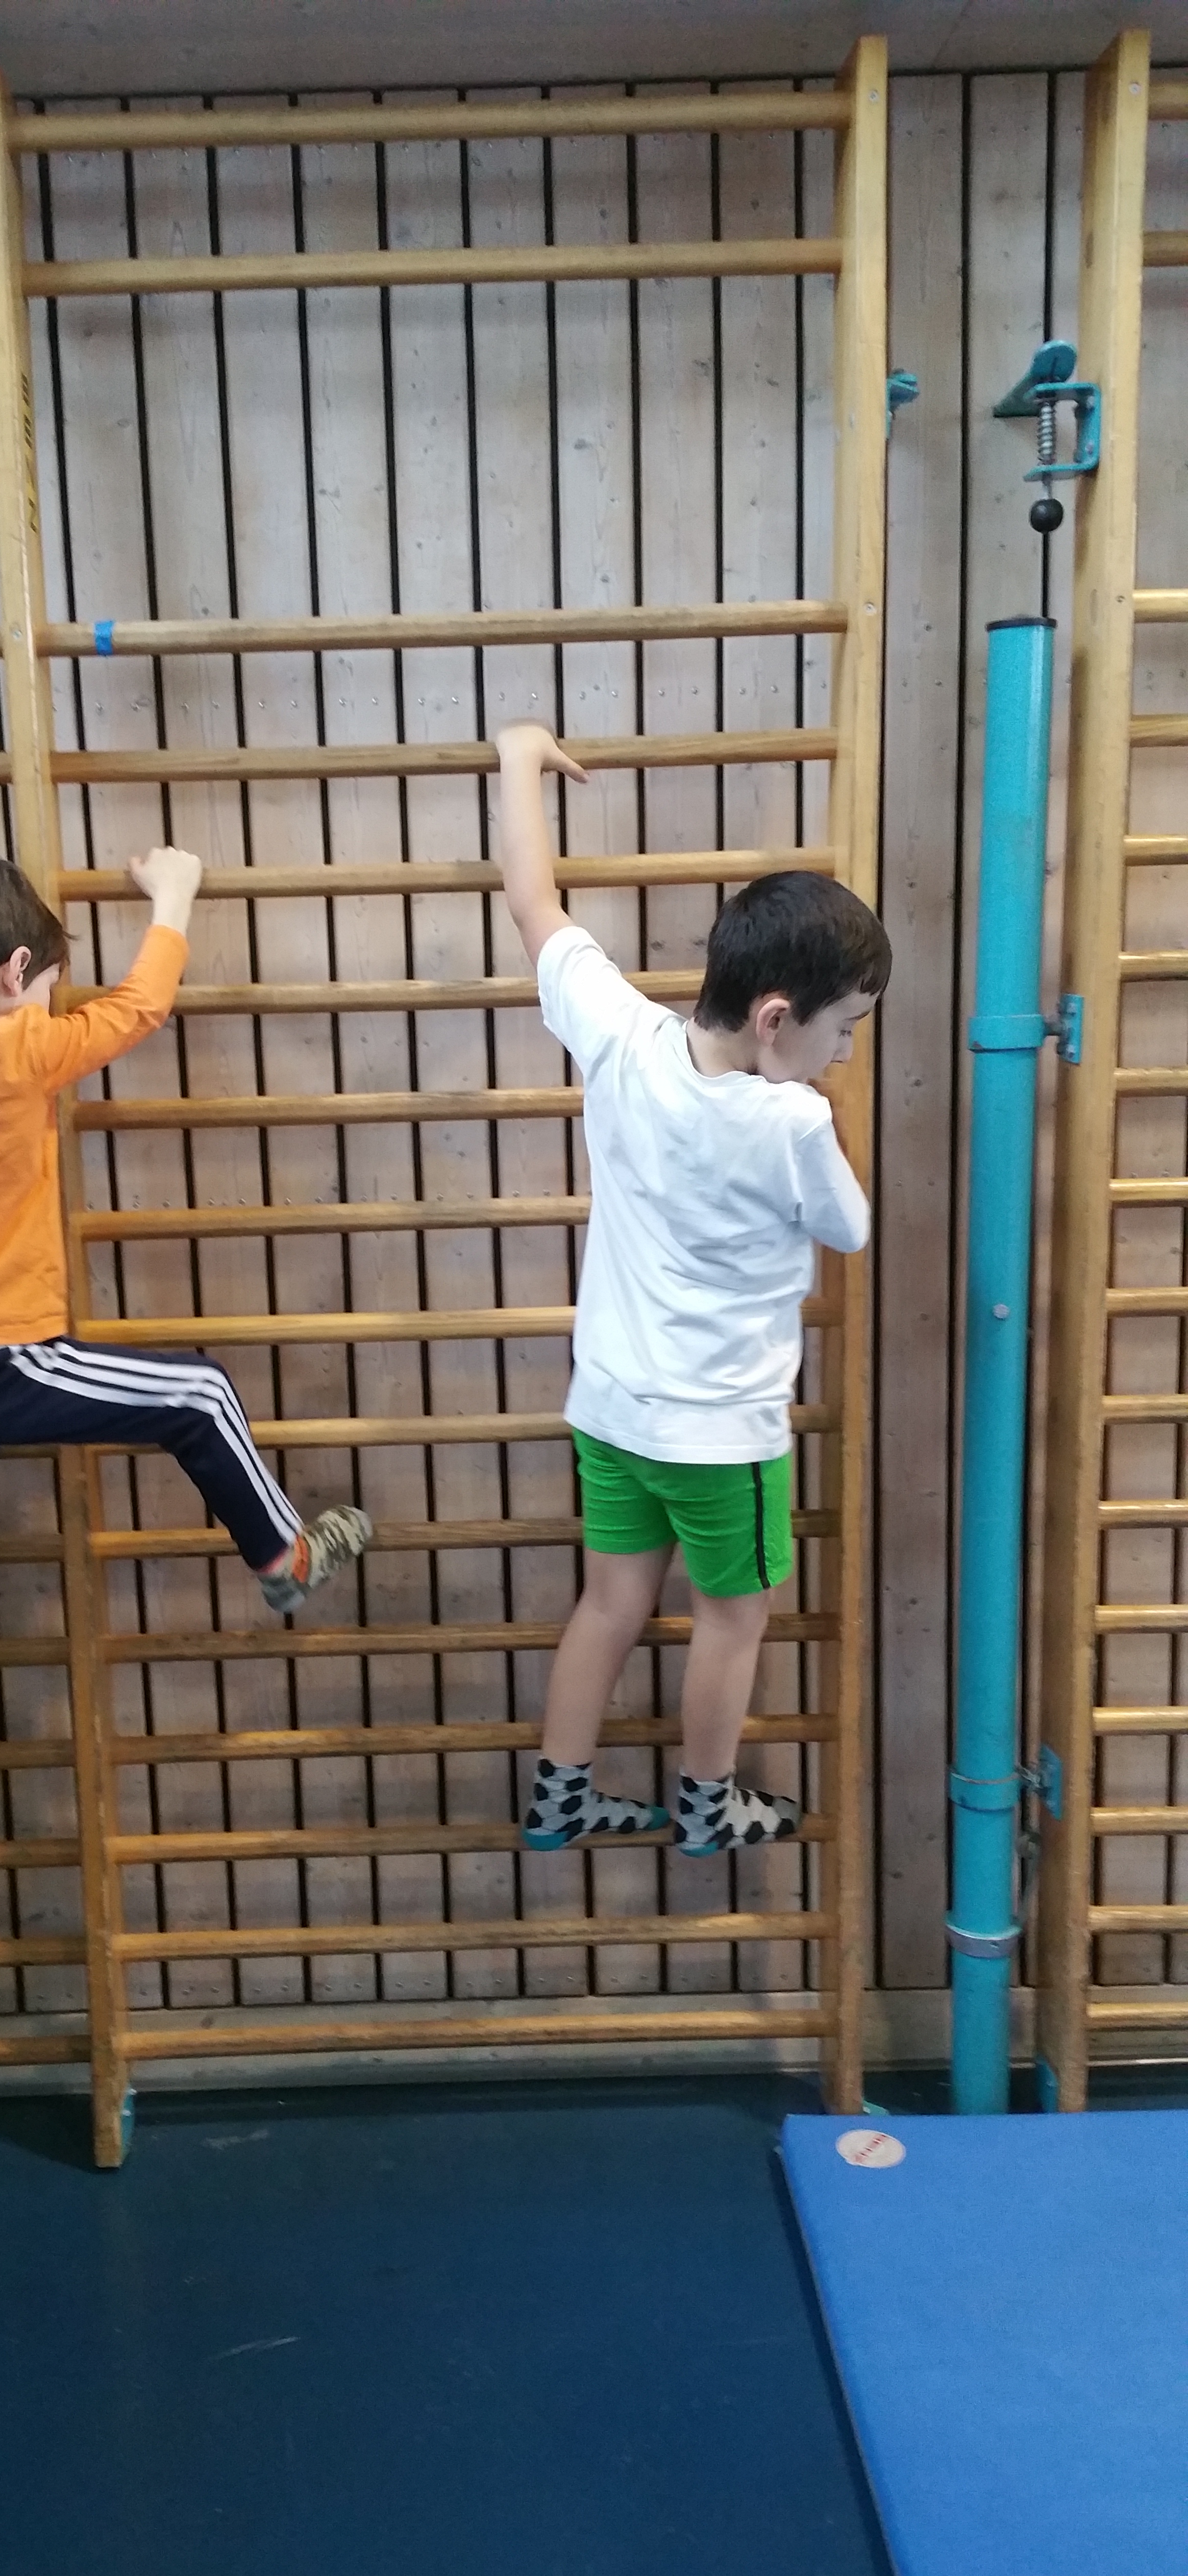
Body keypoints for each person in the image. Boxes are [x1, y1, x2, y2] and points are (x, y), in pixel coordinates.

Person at [0, 848, 370, 1775]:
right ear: (16, 974)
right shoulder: (23, 1048)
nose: (51, 999)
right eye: (48, 983)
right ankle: (285, 1556)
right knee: (198, 1395)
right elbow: (139, 1007)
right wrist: (173, 898)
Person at [494, 724, 889, 1856]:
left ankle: (560, 1798)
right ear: (777, 1019)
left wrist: (519, 760)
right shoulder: (791, 1120)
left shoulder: (621, 1035)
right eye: (843, 1030)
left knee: (609, 1603)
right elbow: (851, 1228)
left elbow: (534, 903)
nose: (843, 1054)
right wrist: (814, 1114)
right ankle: (707, 1810)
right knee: (733, 1617)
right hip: (722, 1436)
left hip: (613, 1410)